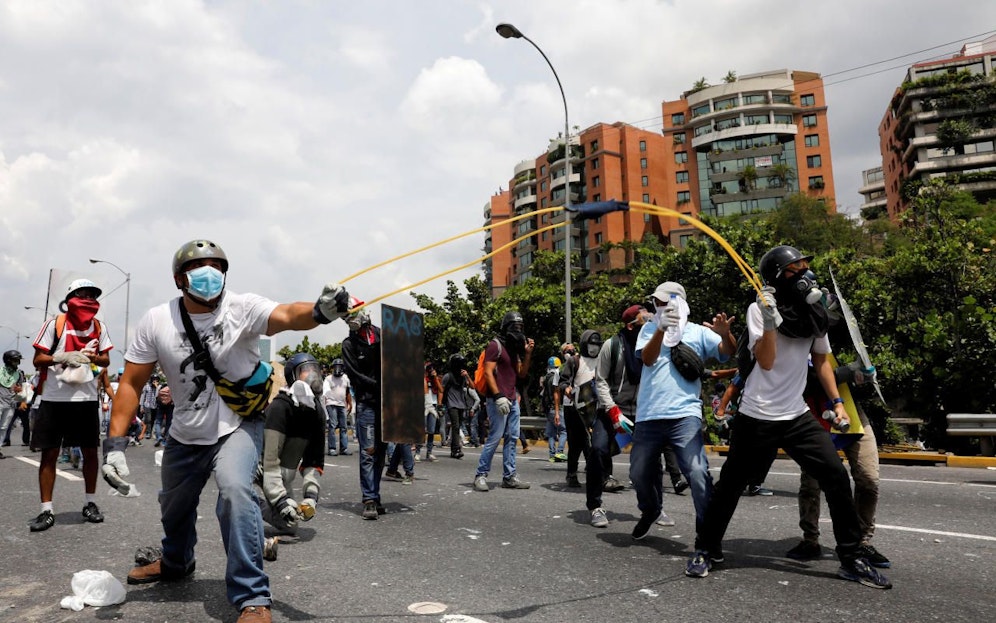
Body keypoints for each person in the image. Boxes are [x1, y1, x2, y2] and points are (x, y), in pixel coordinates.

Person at [101, 239, 353, 623]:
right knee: (174, 506)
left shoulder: (243, 307)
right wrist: (115, 445)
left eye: (216, 266)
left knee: (236, 493)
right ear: (178, 279)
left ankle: (253, 596)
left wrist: (320, 312)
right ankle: (175, 562)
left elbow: (287, 314)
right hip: (185, 432)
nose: (208, 274)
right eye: (198, 267)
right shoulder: (156, 321)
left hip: (238, 425)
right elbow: (132, 384)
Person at [687, 245, 892, 590]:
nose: (805, 275)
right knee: (732, 486)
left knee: (837, 477)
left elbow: (823, 360)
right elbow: (765, 361)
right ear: (780, 277)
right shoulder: (759, 309)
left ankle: (851, 557)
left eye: (805, 267)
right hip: (757, 415)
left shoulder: (813, 313)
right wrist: (769, 322)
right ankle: (706, 548)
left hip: (796, 415)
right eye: (796, 269)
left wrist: (836, 402)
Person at [629, 283, 735, 541]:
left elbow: (727, 353)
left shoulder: (697, 332)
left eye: (666, 302)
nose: (661, 307)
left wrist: (725, 335)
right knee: (638, 473)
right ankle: (651, 509)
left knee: (698, 473)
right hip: (649, 415)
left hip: (685, 415)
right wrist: (661, 329)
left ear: (680, 302)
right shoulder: (649, 329)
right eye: (658, 302)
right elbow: (648, 359)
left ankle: (707, 534)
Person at [28, 279, 114, 531]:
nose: (87, 299)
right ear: (69, 299)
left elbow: (106, 359)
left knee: (90, 452)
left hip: (86, 399)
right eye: (82, 294)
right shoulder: (56, 324)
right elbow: (37, 359)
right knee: (50, 454)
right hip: (55, 399)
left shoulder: (99, 326)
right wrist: (62, 356)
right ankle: (46, 510)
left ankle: (90, 503)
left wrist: (92, 357)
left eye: (92, 295)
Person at [786, 360, 890, 568]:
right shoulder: (797, 339)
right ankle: (810, 539)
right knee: (811, 483)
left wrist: (866, 378)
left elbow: (864, 389)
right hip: (814, 415)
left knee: (869, 479)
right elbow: (802, 382)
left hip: (852, 412)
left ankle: (861, 541)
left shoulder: (844, 337)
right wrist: (845, 373)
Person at [256, 353, 327, 559]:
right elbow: (269, 463)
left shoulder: (318, 413)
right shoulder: (281, 406)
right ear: (293, 376)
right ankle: (248, 504)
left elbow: (314, 461)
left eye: (315, 369)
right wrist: (281, 500)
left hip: (283, 475)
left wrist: (311, 498)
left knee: (289, 525)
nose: (313, 375)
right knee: (243, 502)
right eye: (306, 370)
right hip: (260, 469)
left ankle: (256, 507)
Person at [473, 310, 534, 491]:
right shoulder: (495, 345)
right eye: (514, 326)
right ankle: (480, 475)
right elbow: (487, 372)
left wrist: (528, 354)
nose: (518, 330)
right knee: (495, 437)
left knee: (512, 437)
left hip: (513, 399)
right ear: (506, 327)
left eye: (520, 326)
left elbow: (521, 373)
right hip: (497, 399)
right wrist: (498, 396)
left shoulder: (514, 349)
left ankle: (509, 476)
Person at [341, 308, 389, 520]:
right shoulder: (349, 345)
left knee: (380, 451)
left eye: (352, 316)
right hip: (366, 403)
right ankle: (369, 499)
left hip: (387, 403)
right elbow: (355, 374)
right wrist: (377, 385)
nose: (350, 321)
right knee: (368, 451)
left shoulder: (382, 336)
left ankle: (375, 495)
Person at [557, 342, 587, 488]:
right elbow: (559, 388)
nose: (571, 350)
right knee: (575, 443)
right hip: (571, 407)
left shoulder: (593, 361)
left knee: (591, 442)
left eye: (572, 348)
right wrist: (557, 410)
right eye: (567, 350)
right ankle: (572, 475)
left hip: (590, 407)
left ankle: (596, 473)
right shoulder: (568, 364)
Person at [441, 353, 472, 459]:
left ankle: (455, 448)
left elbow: (473, 386)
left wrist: (467, 375)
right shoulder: (448, 376)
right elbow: (441, 390)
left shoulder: (462, 376)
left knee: (457, 427)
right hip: (451, 404)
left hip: (461, 405)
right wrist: (440, 405)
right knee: (456, 426)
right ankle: (455, 450)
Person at [321, 358, 352, 456]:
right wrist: (325, 406)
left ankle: (344, 448)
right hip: (331, 403)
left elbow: (347, 392)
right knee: (332, 425)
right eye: (335, 367)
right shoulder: (328, 379)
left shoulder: (346, 378)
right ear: (332, 368)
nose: (337, 369)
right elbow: (324, 393)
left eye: (339, 367)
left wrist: (349, 403)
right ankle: (332, 448)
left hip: (342, 404)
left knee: (344, 427)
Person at [0, 350, 27, 455]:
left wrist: (22, 402)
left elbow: (22, 389)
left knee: (4, 427)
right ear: (8, 360)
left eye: (18, 361)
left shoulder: (19, 374)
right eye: (15, 360)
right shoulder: (0, 371)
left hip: (10, 404)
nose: (17, 363)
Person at [540, 356, 566, 462]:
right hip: (556, 408)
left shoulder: (545, 378)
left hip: (548, 409)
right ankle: (559, 452)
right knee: (564, 431)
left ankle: (551, 455)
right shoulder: (557, 378)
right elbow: (558, 394)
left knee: (551, 433)